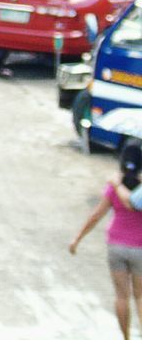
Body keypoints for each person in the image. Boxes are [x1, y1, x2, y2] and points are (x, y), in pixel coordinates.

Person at [69, 141, 142, 340]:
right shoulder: (140, 189)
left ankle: (126, 337)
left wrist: (77, 238)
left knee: (121, 296)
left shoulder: (113, 187)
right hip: (140, 248)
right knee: (140, 295)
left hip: (116, 246)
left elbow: (96, 215)